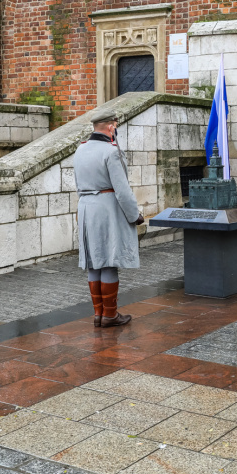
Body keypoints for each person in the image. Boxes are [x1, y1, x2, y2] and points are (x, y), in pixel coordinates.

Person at [74, 108, 145, 328]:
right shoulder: (111, 151)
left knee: (94, 262)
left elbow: (78, 184)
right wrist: (135, 215)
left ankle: (98, 314)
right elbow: (122, 190)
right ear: (111, 127)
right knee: (109, 261)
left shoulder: (80, 149)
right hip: (107, 208)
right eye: (116, 126)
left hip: (86, 207)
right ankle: (110, 315)